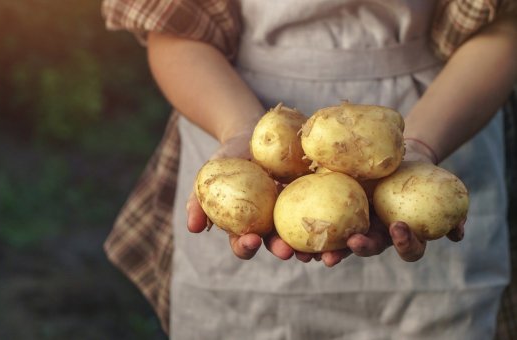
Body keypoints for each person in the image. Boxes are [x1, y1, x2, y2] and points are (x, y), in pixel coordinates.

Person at [102, 0, 517, 338]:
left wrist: (422, 145)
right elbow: (173, 26)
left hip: (447, 111)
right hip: (233, 109)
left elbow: (505, 24)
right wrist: (239, 130)